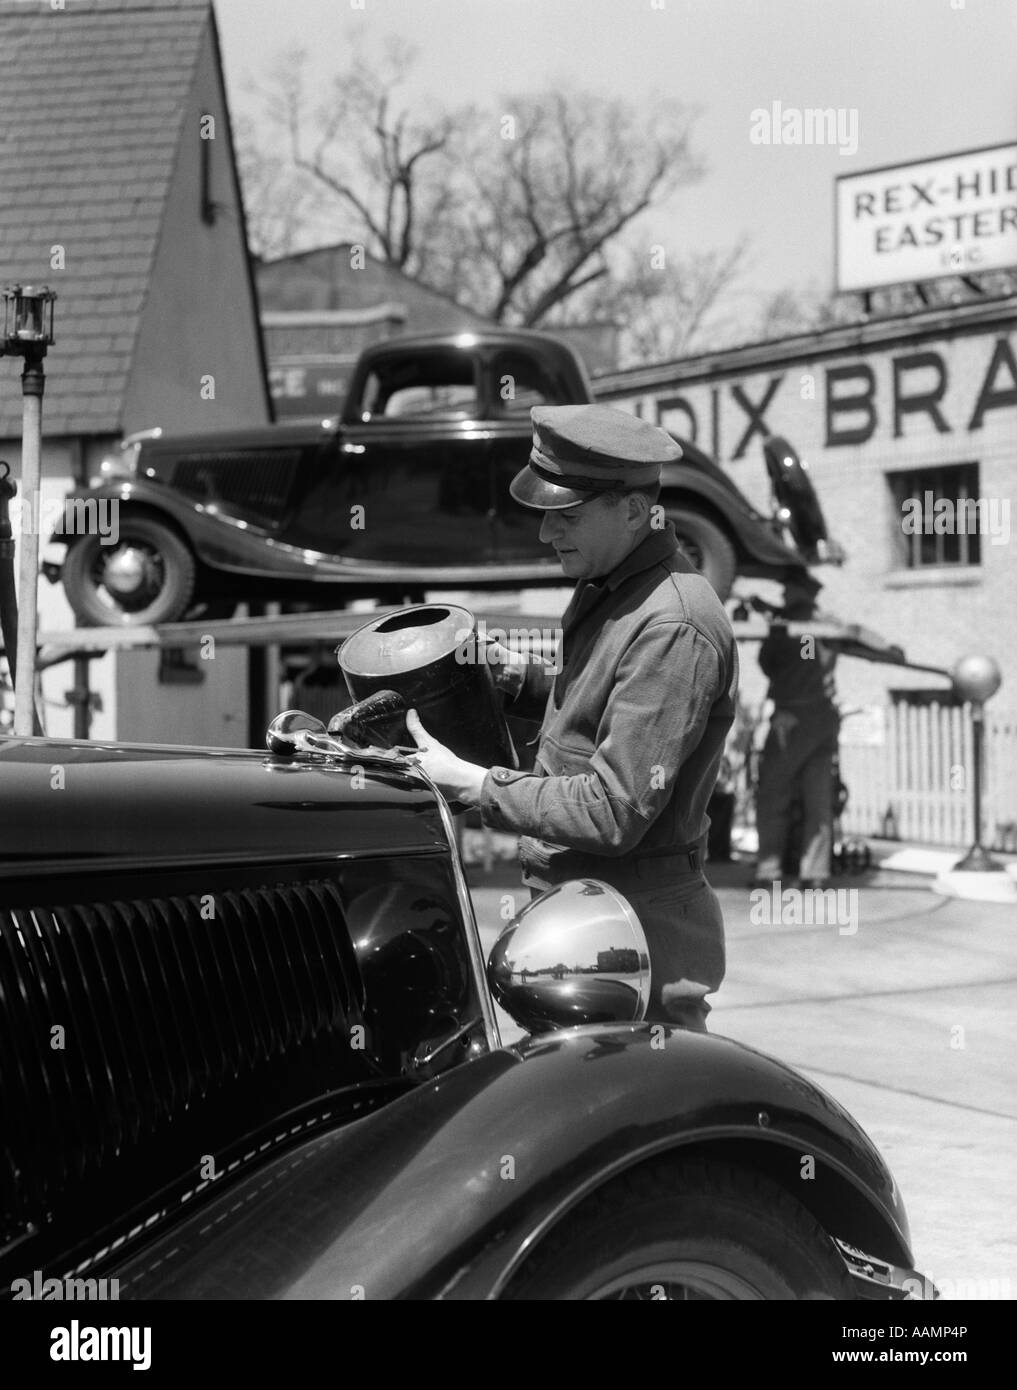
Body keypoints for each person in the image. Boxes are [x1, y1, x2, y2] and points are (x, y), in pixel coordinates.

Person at [405, 403, 739, 1032]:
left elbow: (615, 811)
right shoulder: (611, 584)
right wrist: (517, 677)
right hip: (587, 912)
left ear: (636, 512)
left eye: (568, 515)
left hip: (635, 935)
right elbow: (596, 711)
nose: (546, 534)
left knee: (632, 1115)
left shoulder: (673, 625)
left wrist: (474, 784)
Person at [753, 573, 839, 889]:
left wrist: (773, 622)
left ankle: (769, 871)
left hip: (791, 718)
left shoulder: (788, 629)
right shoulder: (828, 625)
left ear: (793, 593)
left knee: (773, 794)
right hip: (824, 716)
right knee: (818, 799)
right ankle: (814, 873)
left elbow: (769, 663)